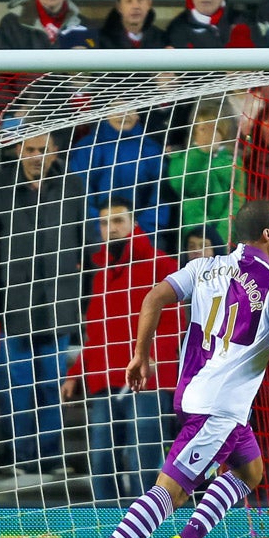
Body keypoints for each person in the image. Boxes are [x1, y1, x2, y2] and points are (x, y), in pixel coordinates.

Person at [76, 201, 269, 538]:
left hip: (197, 396)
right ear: (268, 236)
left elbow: (153, 298)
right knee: (172, 492)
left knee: (250, 471)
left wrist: (140, 355)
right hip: (217, 408)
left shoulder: (205, 267)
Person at [0, 133, 86, 476]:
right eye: (30, 150)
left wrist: (86, 294)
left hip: (58, 304)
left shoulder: (71, 184)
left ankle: (48, 457)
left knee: (51, 382)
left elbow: (85, 239)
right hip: (14, 304)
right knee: (16, 383)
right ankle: (19, 456)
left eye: (43, 150)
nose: (36, 157)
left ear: (55, 151)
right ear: (18, 150)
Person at [62, 197, 181, 505]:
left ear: (133, 224)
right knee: (100, 460)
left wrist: (155, 357)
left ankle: (145, 529)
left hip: (149, 381)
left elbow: (178, 321)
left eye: (117, 221)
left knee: (142, 462)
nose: (110, 229)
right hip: (107, 380)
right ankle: (108, 531)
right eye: (104, 223)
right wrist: (76, 374)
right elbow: (96, 331)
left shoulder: (162, 265)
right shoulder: (101, 273)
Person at [0, 0, 96, 120]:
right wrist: (14, 109)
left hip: (69, 121)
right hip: (20, 120)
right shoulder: (12, 25)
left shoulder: (84, 27)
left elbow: (100, 78)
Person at [68, 107, 168, 246]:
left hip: (145, 238)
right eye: (117, 109)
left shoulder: (152, 149)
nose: (124, 114)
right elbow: (81, 197)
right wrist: (103, 229)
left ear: (138, 113)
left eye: (131, 109)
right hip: (98, 239)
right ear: (105, 112)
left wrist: (138, 232)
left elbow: (160, 198)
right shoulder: (86, 149)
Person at [164, 100, 242, 252]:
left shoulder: (234, 162)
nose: (208, 134)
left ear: (223, 132)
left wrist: (219, 237)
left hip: (223, 239)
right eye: (202, 129)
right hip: (192, 237)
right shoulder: (180, 158)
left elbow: (237, 202)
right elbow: (182, 187)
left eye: (214, 129)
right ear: (194, 132)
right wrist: (200, 153)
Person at [98, 0, 167, 50]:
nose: (136, 6)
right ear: (119, 6)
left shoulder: (162, 40)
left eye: (140, 0)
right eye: (129, 1)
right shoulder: (101, 42)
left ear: (149, 4)